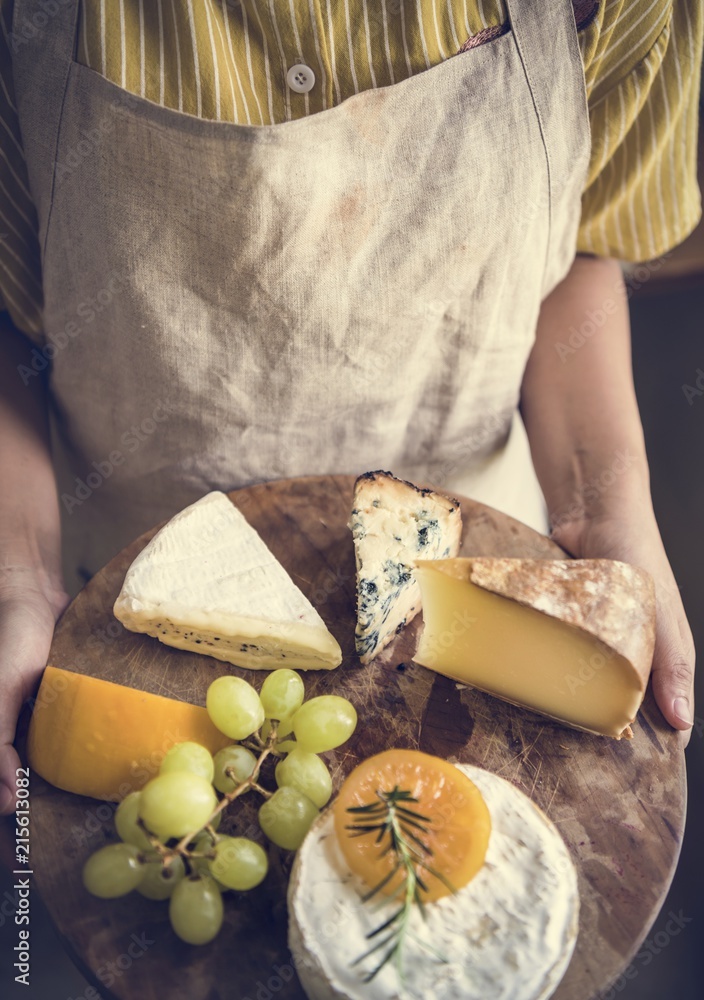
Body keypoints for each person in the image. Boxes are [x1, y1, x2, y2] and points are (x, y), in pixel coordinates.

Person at [0, 0, 700, 815]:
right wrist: (17, 571)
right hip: (109, 566)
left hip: (474, 561)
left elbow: (584, 240)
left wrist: (607, 504)